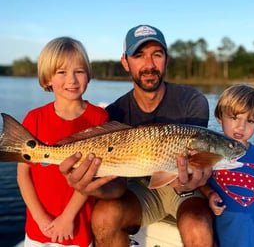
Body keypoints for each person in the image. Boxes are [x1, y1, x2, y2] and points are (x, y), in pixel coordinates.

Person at [60, 25, 214, 247]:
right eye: (139, 55)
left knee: (198, 225)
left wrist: (192, 179)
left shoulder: (193, 101)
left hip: (185, 191)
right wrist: (91, 186)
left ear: (167, 59)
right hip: (139, 189)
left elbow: (196, 166)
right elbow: (117, 185)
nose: (149, 65)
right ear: (125, 62)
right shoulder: (114, 113)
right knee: (104, 217)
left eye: (157, 55)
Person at [17, 37, 125, 247]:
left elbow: (91, 175)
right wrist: (40, 218)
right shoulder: (33, 119)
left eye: (79, 71)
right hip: (38, 228)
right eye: (62, 72)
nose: (72, 80)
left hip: (76, 226)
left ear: (88, 75)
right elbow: (23, 174)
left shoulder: (99, 119)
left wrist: (67, 218)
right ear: (47, 78)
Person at [200, 84, 254, 246]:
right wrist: (209, 194)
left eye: (250, 121)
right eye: (234, 117)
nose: (241, 127)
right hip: (226, 232)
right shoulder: (209, 154)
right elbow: (200, 182)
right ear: (219, 116)